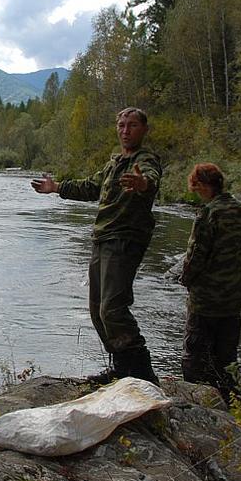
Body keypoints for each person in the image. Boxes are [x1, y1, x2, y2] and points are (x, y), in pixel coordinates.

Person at [30, 107, 161, 384]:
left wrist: (142, 184)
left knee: (112, 309)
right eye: (122, 125)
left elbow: (150, 180)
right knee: (97, 309)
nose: (126, 131)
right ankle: (120, 367)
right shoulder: (114, 162)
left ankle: (141, 373)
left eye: (132, 126)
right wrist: (56, 188)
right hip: (102, 238)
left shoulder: (145, 160)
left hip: (124, 239)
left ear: (144, 130)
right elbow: (90, 187)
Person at [178, 163, 241, 404]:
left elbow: (196, 256)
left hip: (205, 300)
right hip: (233, 298)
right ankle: (232, 405)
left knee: (195, 359)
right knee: (227, 361)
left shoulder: (208, 214)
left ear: (200, 184)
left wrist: (185, 280)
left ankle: (195, 407)